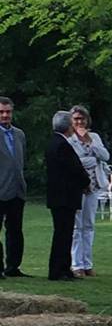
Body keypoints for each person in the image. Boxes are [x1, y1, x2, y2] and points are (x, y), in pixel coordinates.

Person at [46, 110, 91, 281]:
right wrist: (85, 182)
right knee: (63, 234)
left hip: (58, 195)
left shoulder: (53, 142)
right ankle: (59, 269)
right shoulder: (63, 145)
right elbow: (74, 168)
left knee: (63, 233)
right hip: (65, 196)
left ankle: (63, 267)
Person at [67, 104, 110, 277]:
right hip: (77, 186)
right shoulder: (68, 139)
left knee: (89, 225)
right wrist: (91, 160)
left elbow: (105, 156)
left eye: (82, 118)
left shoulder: (94, 137)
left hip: (94, 184)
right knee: (77, 227)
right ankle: (76, 264)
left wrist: (89, 143)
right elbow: (75, 161)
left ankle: (87, 263)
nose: (79, 122)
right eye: (76, 118)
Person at [0, 96, 27, 278]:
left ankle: (13, 267)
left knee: (15, 230)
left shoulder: (19, 134)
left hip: (17, 190)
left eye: (8, 112)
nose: (5, 115)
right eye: (1, 112)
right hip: (0, 189)